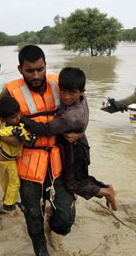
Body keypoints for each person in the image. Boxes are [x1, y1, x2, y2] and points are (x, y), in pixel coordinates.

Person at [0, 45, 75, 256]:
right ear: (20, 69)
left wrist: (79, 133)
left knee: (66, 221)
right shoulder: (10, 90)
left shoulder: (59, 83)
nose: (36, 75)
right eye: (30, 71)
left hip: (58, 161)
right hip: (27, 163)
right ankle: (41, 252)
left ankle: (55, 220)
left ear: (45, 65)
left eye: (40, 69)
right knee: (33, 215)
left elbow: (80, 106)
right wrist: (5, 136)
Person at [20, 67, 117, 210]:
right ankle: (106, 189)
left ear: (81, 92)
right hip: (79, 142)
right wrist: (82, 131)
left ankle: (106, 192)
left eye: (72, 93)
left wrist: (22, 118)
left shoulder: (71, 116)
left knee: (73, 183)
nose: (66, 97)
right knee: (80, 177)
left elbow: (46, 130)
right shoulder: (81, 99)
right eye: (63, 91)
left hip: (76, 149)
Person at [0, 97, 36, 216]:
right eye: (13, 117)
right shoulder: (10, 130)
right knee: (14, 183)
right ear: (4, 118)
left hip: (5, 160)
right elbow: (23, 141)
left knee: (7, 184)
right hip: (6, 162)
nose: (17, 118)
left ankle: (7, 201)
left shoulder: (1, 124)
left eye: (18, 114)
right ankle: (9, 206)